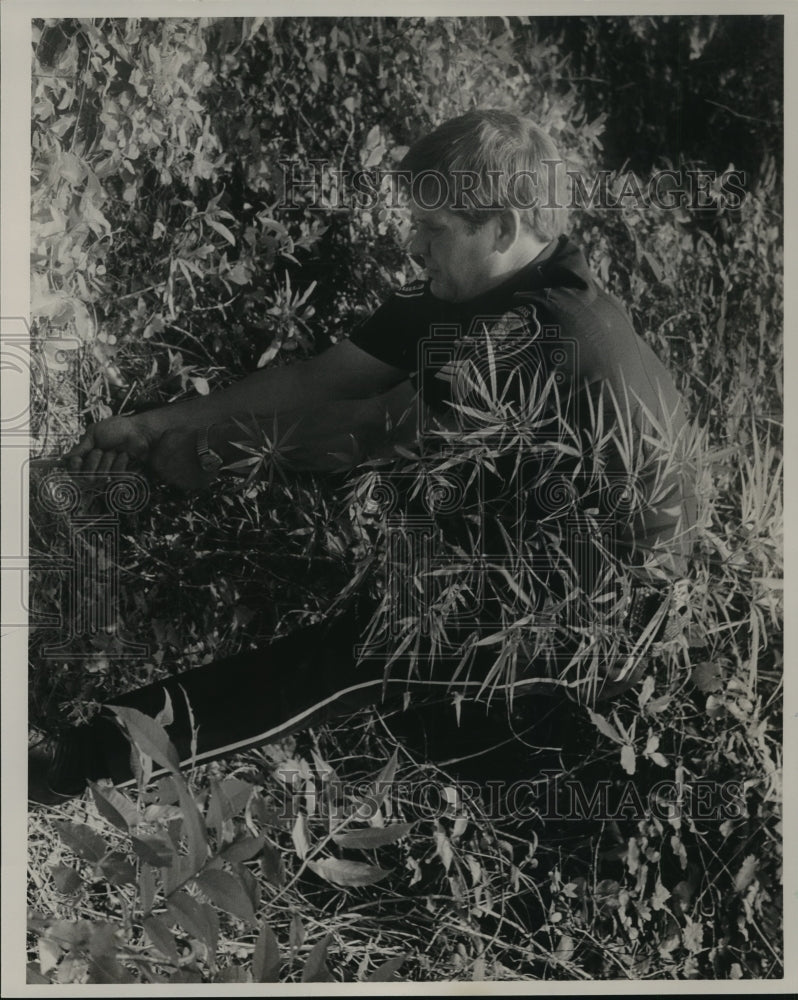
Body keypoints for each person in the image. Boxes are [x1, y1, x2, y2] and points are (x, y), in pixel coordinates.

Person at [28, 110, 696, 804]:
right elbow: (327, 378)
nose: (413, 246)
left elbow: (369, 431)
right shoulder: (468, 287)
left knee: (358, 657)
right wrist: (150, 427)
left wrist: (208, 457)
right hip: (535, 529)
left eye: (434, 232)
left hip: (604, 612)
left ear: (502, 228)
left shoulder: (537, 332)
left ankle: (72, 764)